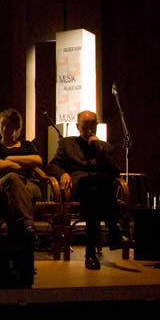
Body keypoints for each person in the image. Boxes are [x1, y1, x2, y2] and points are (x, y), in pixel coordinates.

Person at [46, 110, 123, 270]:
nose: (88, 130)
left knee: (95, 192)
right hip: (78, 185)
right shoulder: (67, 144)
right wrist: (63, 174)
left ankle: (91, 254)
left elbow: (114, 171)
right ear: (77, 126)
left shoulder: (106, 147)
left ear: (97, 126)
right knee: (94, 185)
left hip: (96, 191)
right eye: (84, 127)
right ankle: (113, 229)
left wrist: (99, 149)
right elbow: (52, 165)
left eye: (92, 126)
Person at [0, 108, 43, 246]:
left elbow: (38, 160)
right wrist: (26, 164)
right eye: (2, 125)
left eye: (9, 125)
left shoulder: (27, 145)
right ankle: (29, 226)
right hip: (4, 184)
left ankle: (18, 239)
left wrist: (10, 158)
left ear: (16, 127)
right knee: (13, 178)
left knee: (17, 195)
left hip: (29, 184)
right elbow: (0, 166)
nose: (5, 129)